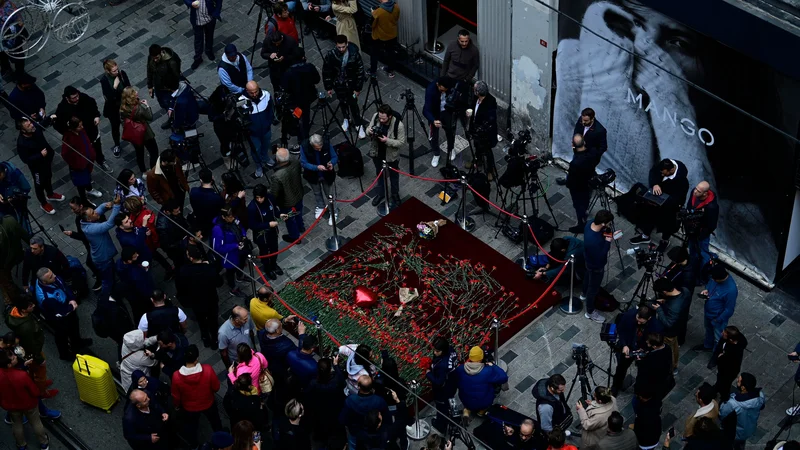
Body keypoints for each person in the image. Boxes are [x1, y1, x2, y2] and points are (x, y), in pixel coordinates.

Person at [5, 294, 59, 400]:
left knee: (32, 370)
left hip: (26, 350)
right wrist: (39, 359)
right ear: (24, 310)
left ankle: (37, 383)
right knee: (40, 372)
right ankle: (42, 392)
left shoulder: (14, 313)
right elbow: (32, 345)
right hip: (33, 352)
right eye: (30, 305)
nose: (33, 306)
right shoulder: (26, 327)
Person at [34, 267, 92, 360]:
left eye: (52, 274)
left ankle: (77, 342)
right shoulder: (46, 298)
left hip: (66, 305)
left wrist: (72, 299)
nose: (55, 276)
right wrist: (72, 307)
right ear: (44, 282)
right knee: (62, 335)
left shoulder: (52, 279)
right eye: (51, 277)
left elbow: (64, 287)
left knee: (74, 326)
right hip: (58, 317)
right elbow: (59, 312)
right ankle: (65, 354)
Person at [629, 158, 690, 245]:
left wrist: (663, 201)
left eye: (664, 173)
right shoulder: (662, 165)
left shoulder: (682, 181)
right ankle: (645, 236)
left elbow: (678, 198)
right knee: (648, 217)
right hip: (656, 200)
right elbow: (653, 173)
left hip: (669, 205)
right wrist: (655, 184)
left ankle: (664, 241)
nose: (661, 174)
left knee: (667, 224)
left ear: (672, 170)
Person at [173, 344, 223, 447]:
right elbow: (216, 387)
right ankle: (221, 441)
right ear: (196, 359)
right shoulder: (208, 370)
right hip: (208, 403)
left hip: (190, 408)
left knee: (192, 426)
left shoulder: (176, 376)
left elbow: (176, 396)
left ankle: (195, 445)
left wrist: (177, 406)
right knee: (215, 422)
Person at [0, 351, 52, 450]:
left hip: (11, 406)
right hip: (29, 404)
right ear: (9, 364)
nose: (15, 356)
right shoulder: (22, 375)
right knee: (36, 423)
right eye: (13, 358)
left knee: (17, 424)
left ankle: (21, 445)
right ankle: (44, 443)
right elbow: (34, 391)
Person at [54, 86, 110, 172]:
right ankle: (87, 172)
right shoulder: (62, 108)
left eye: (77, 96)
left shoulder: (83, 97)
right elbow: (58, 125)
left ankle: (101, 161)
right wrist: (70, 132)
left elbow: (93, 104)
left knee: (97, 148)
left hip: (92, 130)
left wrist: (96, 116)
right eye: (74, 98)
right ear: (67, 98)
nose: (77, 98)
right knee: (83, 154)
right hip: (79, 137)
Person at [177, 245, 223, 347]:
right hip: (211, 299)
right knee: (213, 320)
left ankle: (206, 338)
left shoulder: (184, 271)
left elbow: (181, 287)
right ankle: (215, 339)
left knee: (201, 321)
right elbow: (219, 282)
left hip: (196, 301)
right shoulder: (209, 268)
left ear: (191, 258)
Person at [16, 116, 65, 215]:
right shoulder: (22, 143)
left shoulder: (35, 129)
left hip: (46, 161)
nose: (32, 125)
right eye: (28, 125)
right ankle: (43, 203)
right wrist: (40, 155)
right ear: (23, 130)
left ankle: (50, 194)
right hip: (37, 167)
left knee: (48, 177)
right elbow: (25, 159)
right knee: (39, 185)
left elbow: (41, 124)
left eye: (30, 123)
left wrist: (50, 118)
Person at [611, 305, 662, 395]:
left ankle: (639, 388)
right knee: (621, 368)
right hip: (629, 346)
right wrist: (624, 345)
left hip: (642, 350)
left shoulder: (655, 326)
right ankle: (616, 386)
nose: (638, 323)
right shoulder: (629, 315)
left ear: (649, 318)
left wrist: (645, 350)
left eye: (641, 322)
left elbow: (655, 342)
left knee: (643, 371)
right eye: (637, 320)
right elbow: (621, 330)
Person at [322, 35, 366, 137]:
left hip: (352, 86)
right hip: (339, 85)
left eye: (343, 47)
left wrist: (358, 88)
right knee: (342, 101)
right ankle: (346, 118)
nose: (341, 49)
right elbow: (326, 71)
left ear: (347, 44)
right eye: (339, 47)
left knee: (353, 104)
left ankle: (358, 124)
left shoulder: (354, 54)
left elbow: (360, 71)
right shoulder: (331, 54)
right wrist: (328, 87)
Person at [81, 196, 123, 297]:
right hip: (103, 259)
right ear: (90, 219)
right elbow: (109, 224)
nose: (96, 212)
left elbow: (100, 209)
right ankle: (107, 298)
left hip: (103, 255)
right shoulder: (91, 229)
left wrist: (108, 205)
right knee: (107, 281)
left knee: (110, 273)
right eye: (93, 213)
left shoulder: (86, 220)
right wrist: (116, 206)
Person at [366, 104, 405, 207]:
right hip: (377, 152)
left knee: (394, 175)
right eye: (380, 118)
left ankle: (395, 194)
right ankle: (381, 193)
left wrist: (387, 140)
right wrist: (369, 131)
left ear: (390, 116)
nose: (381, 120)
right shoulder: (376, 117)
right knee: (379, 173)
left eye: (383, 118)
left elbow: (401, 142)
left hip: (391, 155)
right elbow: (368, 128)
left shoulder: (398, 125)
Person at [453, 346, 508, 418]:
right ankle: (481, 412)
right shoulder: (487, 371)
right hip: (484, 402)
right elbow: (504, 377)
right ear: (481, 358)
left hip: (465, 400)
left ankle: (467, 410)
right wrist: (493, 366)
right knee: (493, 386)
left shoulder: (460, 369)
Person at [304, 357, 347, 449]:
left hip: (319, 410)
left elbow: (307, 394)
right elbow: (342, 381)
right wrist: (336, 365)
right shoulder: (336, 381)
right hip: (334, 410)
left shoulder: (313, 383)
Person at [281, 47, 321, 145]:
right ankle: (305, 136)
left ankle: (300, 137)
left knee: (297, 118)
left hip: (294, 99)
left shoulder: (289, 72)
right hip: (308, 97)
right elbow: (317, 79)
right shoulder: (309, 67)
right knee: (306, 116)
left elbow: (285, 87)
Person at [693, 265, 738, 353]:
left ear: (720, 278)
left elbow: (729, 310)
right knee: (708, 330)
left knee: (718, 339)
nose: (712, 280)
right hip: (709, 313)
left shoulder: (731, 290)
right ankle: (707, 345)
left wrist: (718, 320)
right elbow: (710, 284)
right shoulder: (715, 278)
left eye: (714, 279)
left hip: (717, 318)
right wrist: (707, 291)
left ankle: (716, 355)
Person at [339, 375, 390, 450]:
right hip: (375, 433)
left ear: (358, 386)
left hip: (355, 432)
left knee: (353, 446)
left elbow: (343, 419)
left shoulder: (350, 401)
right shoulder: (379, 401)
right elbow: (387, 419)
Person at [61, 116, 103, 203]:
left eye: (81, 125)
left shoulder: (81, 132)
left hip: (87, 161)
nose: (82, 127)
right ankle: (84, 200)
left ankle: (89, 189)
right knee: (81, 184)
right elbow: (65, 154)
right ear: (73, 128)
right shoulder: (69, 138)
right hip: (79, 166)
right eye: (79, 126)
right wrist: (76, 164)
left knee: (87, 177)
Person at [652, 277, 690, 374]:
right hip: (679, 324)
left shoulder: (674, 307)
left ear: (664, 291)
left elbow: (668, 323)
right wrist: (665, 301)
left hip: (670, 332)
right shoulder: (685, 291)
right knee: (674, 346)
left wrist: (659, 310)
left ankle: (672, 367)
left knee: (671, 350)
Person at [582, 209, 614, 323]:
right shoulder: (594, 242)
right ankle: (590, 312)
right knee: (593, 289)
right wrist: (608, 241)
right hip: (596, 265)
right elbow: (601, 255)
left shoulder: (590, 223)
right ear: (604, 223)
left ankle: (583, 293)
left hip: (588, 259)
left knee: (587, 275)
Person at [719, 373, 766, 450]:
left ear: (743, 388)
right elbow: (762, 406)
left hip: (736, 432)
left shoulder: (733, 403)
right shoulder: (760, 395)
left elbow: (722, 414)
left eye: (739, 381)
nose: (737, 380)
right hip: (750, 428)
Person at [119, 86, 159, 175]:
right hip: (145, 133)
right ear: (131, 96)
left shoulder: (123, 107)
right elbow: (150, 117)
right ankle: (153, 171)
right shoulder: (139, 108)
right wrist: (147, 106)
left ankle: (143, 171)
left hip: (134, 134)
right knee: (153, 152)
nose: (136, 92)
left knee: (139, 153)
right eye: (134, 92)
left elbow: (123, 121)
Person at [662, 246, 698, 345]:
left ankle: (680, 339)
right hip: (675, 292)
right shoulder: (683, 263)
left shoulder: (688, 274)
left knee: (680, 319)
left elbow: (685, 291)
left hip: (680, 298)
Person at [64, 197, 102, 290]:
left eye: (74, 208)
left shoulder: (86, 217)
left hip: (94, 243)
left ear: (81, 206)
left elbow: (84, 236)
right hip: (91, 244)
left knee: (90, 261)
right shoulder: (81, 217)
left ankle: (101, 278)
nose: (72, 211)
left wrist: (72, 234)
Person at [300, 134, 339, 225]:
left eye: (321, 147)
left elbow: (334, 157)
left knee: (330, 194)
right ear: (312, 145)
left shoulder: (326, 144)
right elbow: (304, 163)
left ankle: (333, 212)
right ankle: (320, 206)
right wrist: (316, 167)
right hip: (312, 175)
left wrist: (332, 163)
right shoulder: (304, 147)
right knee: (316, 192)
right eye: (317, 148)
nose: (320, 150)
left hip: (327, 174)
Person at [270, 147, 307, 243]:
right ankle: (301, 227)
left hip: (287, 202)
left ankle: (295, 237)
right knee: (298, 213)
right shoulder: (296, 163)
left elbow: (274, 192)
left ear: (277, 160)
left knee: (290, 220)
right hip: (298, 194)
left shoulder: (276, 176)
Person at [240, 80, 276, 178]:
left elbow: (271, 110)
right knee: (256, 149)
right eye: (252, 92)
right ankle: (259, 165)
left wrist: (268, 122)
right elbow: (242, 119)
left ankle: (266, 157)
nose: (255, 94)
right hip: (253, 133)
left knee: (266, 144)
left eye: (256, 91)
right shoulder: (241, 102)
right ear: (247, 91)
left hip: (266, 129)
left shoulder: (266, 95)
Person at [566, 134, 600, 232]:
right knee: (586, 199)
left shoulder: (575, 163)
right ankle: (585, 209)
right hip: (589, 181)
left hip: (578, 187)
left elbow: (571, 180)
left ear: (573, 145)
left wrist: (568, 185)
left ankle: (581, 224)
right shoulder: (592, 152)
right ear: (584, 142)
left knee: (578, 205)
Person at [212, 206, 248, 297]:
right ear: (224, 217)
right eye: (230, 217)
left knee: (241, 264)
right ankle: (233, 288)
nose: (232, 218)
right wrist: (235, 246)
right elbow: (218, 248)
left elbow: (241, 227)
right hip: (229, 255)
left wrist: (243, 235)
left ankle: (240, 276)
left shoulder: (234, 219)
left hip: (240, 250)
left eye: (233, 216)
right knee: (230, 272)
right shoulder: (218, 229)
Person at [423, 76, 457, 168]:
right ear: (438, 85)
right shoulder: (430, 90)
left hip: (446, 111)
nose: (443, 92)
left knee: (450, 131)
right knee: (433, 135)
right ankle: (436, 154)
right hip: (435, 114)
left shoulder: (449, 86)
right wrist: (433, 120)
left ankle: (451, 148)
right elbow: (426, 110)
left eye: (445, 90)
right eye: (441, 90)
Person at [249, 185, 282, 280]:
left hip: (272, 232)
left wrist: (280, 214)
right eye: (257, 198)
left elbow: (275, 210)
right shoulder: (252, 208)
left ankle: (273, 264)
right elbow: (252, 225)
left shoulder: (270, 199)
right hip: (261, 236)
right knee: (264, 252)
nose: (259, 200)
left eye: (261, 197)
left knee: (274, 249)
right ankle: (267, 269)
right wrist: (268, 224)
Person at [100, 59, 131, 157]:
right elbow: (109, 97)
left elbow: (128, 86)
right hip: (113, 109)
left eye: (117, 69)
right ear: (108, 71)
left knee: (129, 124)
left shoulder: (122, 73)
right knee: (115, 127)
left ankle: (133, 138)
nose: (116, 72)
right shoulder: (104, 80)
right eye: (114, 71)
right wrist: (115, 86)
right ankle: (117, 144)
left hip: (125, 105)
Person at [146, 44, 182, 129]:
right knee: (164, 104)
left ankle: (175, 121)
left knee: (172, 106)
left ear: (161, 53)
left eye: (157, 58)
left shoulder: (171, 61)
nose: (155, 60)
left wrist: (174, 89)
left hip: (170, 89)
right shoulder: (151, 58)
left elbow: (177, 76)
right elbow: (149, 70)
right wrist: (150, 86)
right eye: (153, 58)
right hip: (159, 88)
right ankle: (172, 118)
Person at [426, 337, 458, 432]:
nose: (435, 353)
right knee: (451, 401)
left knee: (441, 408)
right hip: (452, 383)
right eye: (434, 350)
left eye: (437, 351)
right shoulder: (451, 351)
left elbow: (439, 382)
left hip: (443, 390)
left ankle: (441, 425)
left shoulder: (442, 365)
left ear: (443, 351)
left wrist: (428, 374)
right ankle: (454, 419)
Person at [686, 181, 720, 269]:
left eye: (698, 191)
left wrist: (701, 235)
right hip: (692, 228)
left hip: (701, 233)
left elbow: (712, 225)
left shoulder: (711, 207)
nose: (695, 192)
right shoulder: (694, 193)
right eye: (696, 188)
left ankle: (703, 271)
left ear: (705, 193)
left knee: (703, 253)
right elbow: (689, 206)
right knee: (692, 249)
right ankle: (693, 265)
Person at [468, 80, 498, 178]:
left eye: (474, 89)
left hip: (486, 133)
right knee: (477, 147)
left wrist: (482, 128)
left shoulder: (490, 102)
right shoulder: (476, 99)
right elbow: (472, 107)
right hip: (476, 129)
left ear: (478, 92)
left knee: (487, 151)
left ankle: (490, 170)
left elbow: (490, 120)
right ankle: (477, 161)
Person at [634, 333, 674, 400]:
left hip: (651, 385)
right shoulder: (667, 347)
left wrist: (639, 361)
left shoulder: (653, 359)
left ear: (655, 346)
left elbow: (644, 371)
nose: (647, 342)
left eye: (649, 343)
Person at [258, 318, 295, 391]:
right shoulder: (285, 345)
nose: (282, 326)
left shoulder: (261, 333)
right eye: (281, 326)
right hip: (280, 368)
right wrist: (301, 335)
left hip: (269, 362)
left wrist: (284, 321)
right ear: (277, 330)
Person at [711, 326, 748, 399]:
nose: (722, 333)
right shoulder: (737, 338)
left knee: (725, 384)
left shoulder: (733, 351)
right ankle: (717, 389)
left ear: (730, 339)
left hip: (728, 370)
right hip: (729, 369)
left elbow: (723, 360)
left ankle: (724, 396)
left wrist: (720, 357)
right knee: (721, 381)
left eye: (724, 334)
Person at [0, 215, 28, 304]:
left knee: (5, 282)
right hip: (18, 254)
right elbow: (26, 236)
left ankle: (13, 300)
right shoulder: (10, 220)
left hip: (5, 263)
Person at [186, 0, 221, 70]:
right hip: (196, 19)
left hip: (209, 18)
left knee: (209, 36)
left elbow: (219, 2)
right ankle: (198, 58)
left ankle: (209, 51)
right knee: (198, 39)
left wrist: (216, 13)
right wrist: (191, 3)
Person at [190, 168, 225, 237]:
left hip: (200, 218)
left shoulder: (193, 191)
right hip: (212, 221)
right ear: (212, 178)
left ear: (201, 180)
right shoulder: (216, 198)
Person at [156, 198, 189, 270]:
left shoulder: (171, 211)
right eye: (177, 211)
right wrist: (182, 242)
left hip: (180, 239)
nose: (179, 212)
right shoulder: (162, 226)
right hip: (176, 249)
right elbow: (167, 245)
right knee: (180, 264)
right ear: (168, 212)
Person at [369, 0, 399, 77]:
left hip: (379, 36)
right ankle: (390, 70)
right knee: (391, 52)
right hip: (392, 34)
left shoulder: (378, 12)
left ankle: (373, 71)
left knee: (374, 53)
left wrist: (373, 13)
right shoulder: (396, 7)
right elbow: (396, 18)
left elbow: (372, 24)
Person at [287, 322, 319, 390]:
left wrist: (301, 335)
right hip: (304, 385)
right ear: (312, 348)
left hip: (294, 377)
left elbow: (300, 348)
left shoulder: (290, 354)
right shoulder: (313, 366)